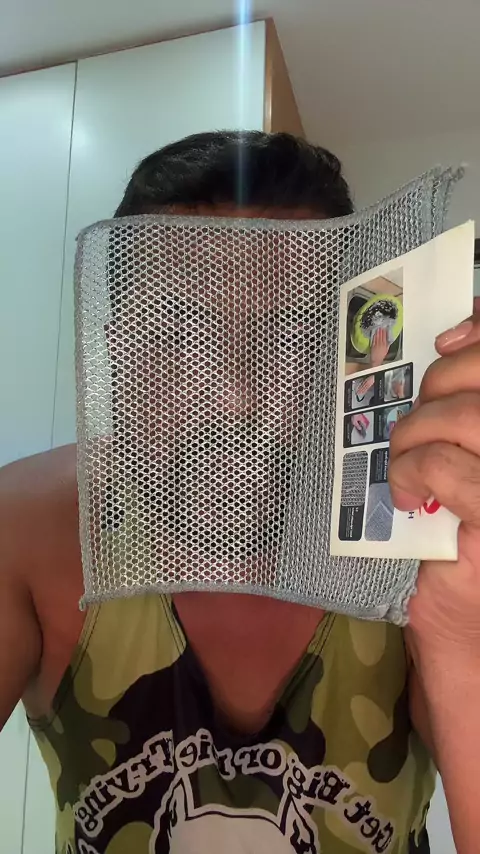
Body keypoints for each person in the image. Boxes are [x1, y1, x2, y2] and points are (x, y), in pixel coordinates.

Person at [1, 131, 479, 854]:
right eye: (174, 331)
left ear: (346, 355)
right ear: (113, 350)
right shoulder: (27, 529)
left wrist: (460, 635)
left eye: (289, 336)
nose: (233, 397)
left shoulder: (425, 538)